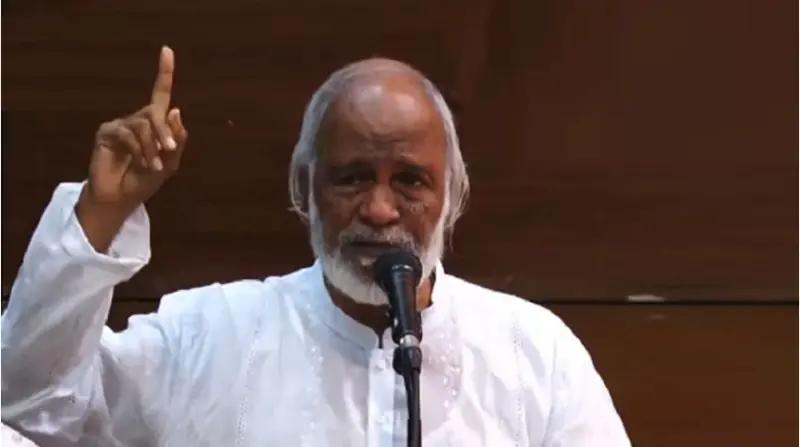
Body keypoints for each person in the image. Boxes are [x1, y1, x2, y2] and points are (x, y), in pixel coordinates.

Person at [1, 46, 630, 446]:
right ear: (304, 189)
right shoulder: (208, 336)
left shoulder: (532, 354)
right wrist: (101, 214)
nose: (380, 210)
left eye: (410, 181)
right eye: (352, 178)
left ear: (453, 196)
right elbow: (31, 408)